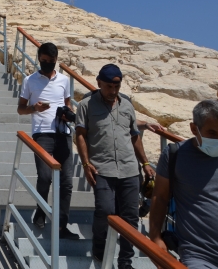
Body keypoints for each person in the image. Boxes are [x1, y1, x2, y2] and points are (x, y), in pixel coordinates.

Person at [75, 64, 155, 268]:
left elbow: (134, 136)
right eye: (109, 86)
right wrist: (85, 164)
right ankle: (99, 247)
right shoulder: (86, 105)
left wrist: (145, 163)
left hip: (129, 169)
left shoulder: (127, 106)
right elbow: (81, 136)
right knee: (105, 210)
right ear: (99, 83)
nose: (113, 91)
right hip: (101, 168)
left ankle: (125, 261)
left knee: (130, 217)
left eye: (117, 87)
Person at [149, 99, 218, 269]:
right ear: (194, 129)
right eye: (212, 133)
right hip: (200, 255)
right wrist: (155, 238)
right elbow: (160, 197)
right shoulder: (176, 154)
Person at [17, 43, 78, 239]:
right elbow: (21, 109)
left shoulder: (64, 80)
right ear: (38, 58)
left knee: (67, 182)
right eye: (44, 61)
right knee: (45, 177)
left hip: (63, 133)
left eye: (51, 62)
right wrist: (35, 108)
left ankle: (61, 226)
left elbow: (67, 105)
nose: (47, 65)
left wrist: (68, 115)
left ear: (56, 60)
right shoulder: (29, 81)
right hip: (41, 134)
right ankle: (41, 211)